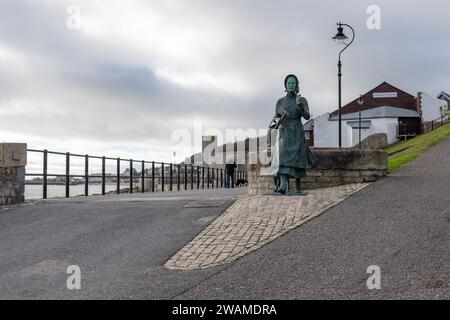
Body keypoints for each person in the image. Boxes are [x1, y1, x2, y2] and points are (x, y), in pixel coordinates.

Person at [269, 74, 318, 195]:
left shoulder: (302, 100)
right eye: (289, 83)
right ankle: (283, 184)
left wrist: (301, 107)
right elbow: (275, 119)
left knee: (298, 158)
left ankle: (298, 186)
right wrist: (278, 121)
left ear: (296, 85)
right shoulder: (280, 102)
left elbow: (307, 116)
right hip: (284, 131)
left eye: (293, 83)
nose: (291, 85)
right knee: (283, 156)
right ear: (285, 85)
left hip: (297, 131)